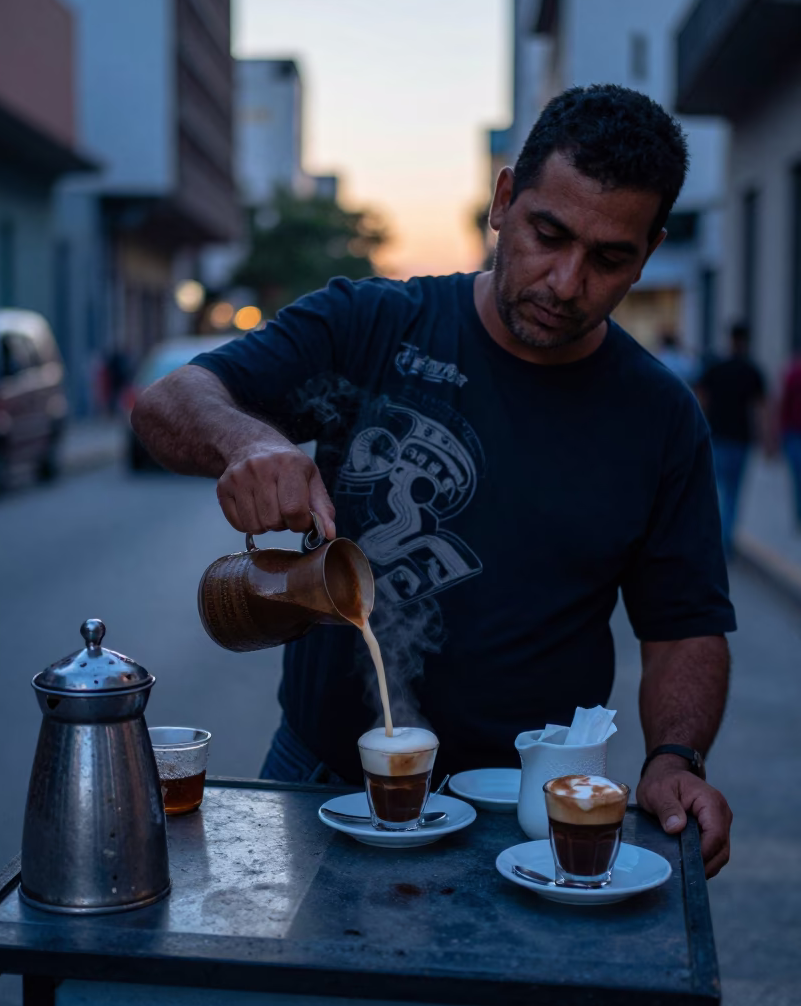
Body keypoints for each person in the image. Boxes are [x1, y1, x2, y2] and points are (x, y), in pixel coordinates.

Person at [132, 84, 735, 877]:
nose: (564, 280)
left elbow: (685, 625)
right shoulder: (372, 326)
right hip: (320, 784)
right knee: (288, 1002)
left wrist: (676, 759)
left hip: (522, 811)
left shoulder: (658, 416)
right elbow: (167, 403)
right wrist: (244, 439)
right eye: (548, 234)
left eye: (609, 258)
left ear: (649, 251)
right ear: (504, 199)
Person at [696, 323, 768, 554]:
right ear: (746, 341)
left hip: (716, 436)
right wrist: (766, 439)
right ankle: (725, 540)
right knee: (733, 492)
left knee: (714, 489)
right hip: (740, 439)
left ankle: (711, 535)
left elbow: (700, 399)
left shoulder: (717, 368)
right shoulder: (752, 371)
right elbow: (759, 409)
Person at [779, 353, 801, 528]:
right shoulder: (793, 371)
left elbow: (783, 403)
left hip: (793, 433)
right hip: (794, 433)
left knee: (798, 479)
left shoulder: (793, 371)